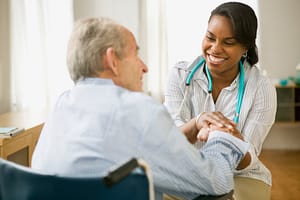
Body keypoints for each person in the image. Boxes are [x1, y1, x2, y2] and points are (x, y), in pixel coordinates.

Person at [31, 17, 250, 200]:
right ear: (112, 60)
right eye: (135, 54)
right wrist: (221, 136)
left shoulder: (62, 104)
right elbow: (215, 183)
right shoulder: (139, 111)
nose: (144, 67)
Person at [164, 2, 276, 200]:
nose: (215, 49)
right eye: (210, 37)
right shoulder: (180, 75)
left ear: (245, 47)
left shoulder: (261, 87)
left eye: (228, 42)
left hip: (242, 176)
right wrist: (197, 123)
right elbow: (171, 143)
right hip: (187, 170)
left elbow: (248, 158)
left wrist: (228, 139)